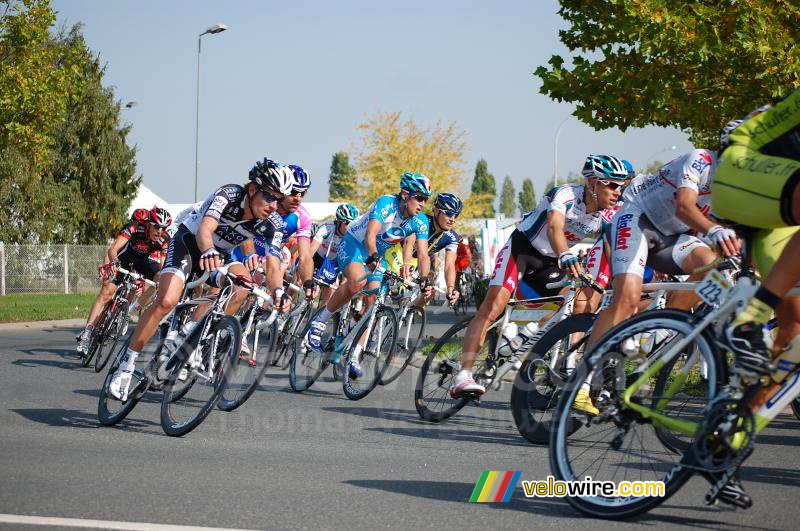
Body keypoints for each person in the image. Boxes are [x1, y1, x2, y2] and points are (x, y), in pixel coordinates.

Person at [105, 158, 292, 401]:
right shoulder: (229, 194)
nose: (273, 205)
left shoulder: (274, 223)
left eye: (279, 199)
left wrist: (278, 291)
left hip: (221, 254)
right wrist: (208, 250)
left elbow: (274, 265)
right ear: (253, 188)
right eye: (269, 196)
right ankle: (126, 365)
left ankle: (194, 334)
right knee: (167, 301)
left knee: (244, 285)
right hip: (190, 243)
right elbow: (205, 229)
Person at [451, 155, 629, 398]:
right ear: (592, 183)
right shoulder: (566, 194)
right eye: (612, 185)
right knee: (492, 307)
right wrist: (565, 253)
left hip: (548, 262)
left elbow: (610, 246)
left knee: (569, 300)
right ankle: (463, 376)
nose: (618, 191)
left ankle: (523, 334)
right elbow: (554, 227)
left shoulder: (610, 213)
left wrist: (620, 277)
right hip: (522, 250)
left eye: (621, 186)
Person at [582, 147, 741, 414]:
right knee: (627, 299)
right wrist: (715, 230)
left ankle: (661, 330)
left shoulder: (740, 187)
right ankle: (582, 380)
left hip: (670, 237)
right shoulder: (701, 160)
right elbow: (684, 206)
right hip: (637, 218)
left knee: (713, 266)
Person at [305, 172, 433, 378]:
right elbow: (370, 234)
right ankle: (320, 321)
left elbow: (424, 255)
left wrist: (425, 278)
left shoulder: (420, 221)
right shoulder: (387, 203)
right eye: (419, 197)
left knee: (373, 304)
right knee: (356, 282)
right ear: (405, 194)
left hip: (377, 254)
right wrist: (372, 256)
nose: (422, 204)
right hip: (355, 244)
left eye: (425, 199)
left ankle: (354, 354)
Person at [76, 207, 171, 356]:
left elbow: (163, 265)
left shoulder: (164, 239)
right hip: (124, 258)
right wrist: (113, 262)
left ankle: (126, 312)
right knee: (107, 292)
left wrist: (161, 281)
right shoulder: (135, 227)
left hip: (143, 262)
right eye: (157, 226)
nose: (160, 231)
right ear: (148, 224)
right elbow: (113, 249)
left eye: (163, 228)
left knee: (160, 276)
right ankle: (87, 334)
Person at [310, 203, 359, 305]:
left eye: (352, 224)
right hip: (317, 258)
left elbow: (349, 261)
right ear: (339, 221)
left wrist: (344, 281)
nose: (350, 227)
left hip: (333, 263)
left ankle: (320, 313)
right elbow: (312, 249)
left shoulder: (351, 236)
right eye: (347, 223)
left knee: (330, 290)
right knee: (300, 280)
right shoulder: (327, 227)